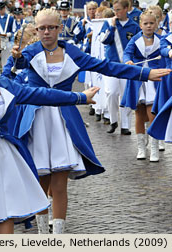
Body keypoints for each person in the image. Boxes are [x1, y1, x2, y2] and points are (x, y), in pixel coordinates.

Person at [11, 8, 170, 234]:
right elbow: (13, 72)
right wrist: (15, 59)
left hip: (64, 123)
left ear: (59, 28)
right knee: (40, 182)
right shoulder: (28, 53)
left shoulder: (72, 52)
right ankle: (41, 236)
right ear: (36, 30)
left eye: (51, 27)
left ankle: (58, 237)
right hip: (36, 122)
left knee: (60, 183)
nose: (46, 32)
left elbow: (107, 66)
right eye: (42, 28)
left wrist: (144, 74)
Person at [0, 24, 101, 234]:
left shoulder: (6, 84)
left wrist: (79, 97)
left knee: (5, 222)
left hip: (6, 158)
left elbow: (43, 94)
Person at [121, 10, 163, 162]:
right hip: (138, 79)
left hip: (155, 80)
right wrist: (128, 61)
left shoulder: (160, 39)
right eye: (145, 23)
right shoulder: (135, 39)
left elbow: (164, 54)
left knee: (153, 113)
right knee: (139, 114)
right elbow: (127, 53)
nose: (149, 26)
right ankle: (141, 147)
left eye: (152, 23)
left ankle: (154, 147)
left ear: (156, 24)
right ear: (140, 25)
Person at [99, 0, 141, 135]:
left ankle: (125, 125)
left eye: (118, 10)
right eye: (114, 9)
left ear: (126, 9)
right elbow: (104, 40)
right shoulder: (108, 23)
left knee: (125, 94)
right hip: (111, 64)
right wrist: (111, 27)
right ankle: (113, 120)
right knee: (111, 93)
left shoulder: (134, 26)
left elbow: (138, 45)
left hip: (127, 65)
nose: (115, 12)